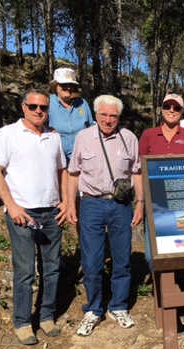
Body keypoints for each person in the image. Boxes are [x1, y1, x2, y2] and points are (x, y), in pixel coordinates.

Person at [0, 90, 67, 345]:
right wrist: (11, 206)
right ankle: (22, 322)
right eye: (33, 106)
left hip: (52, 211)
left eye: (43, 107)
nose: (38, 111)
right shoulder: (7, 134)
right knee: (24, 271)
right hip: (22, 213)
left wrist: (65, 201)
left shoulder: (53, 137)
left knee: (52, 269)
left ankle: (46, 316)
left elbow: (62, 170)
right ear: (23, 107)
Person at [67, 95, 144, 336]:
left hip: (121, 206)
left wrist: (140, 203)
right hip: (91, 204)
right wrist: (70, 204)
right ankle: (94, 309)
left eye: (113, 116)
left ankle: (118, 306)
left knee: (122, 258)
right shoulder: (83, 137)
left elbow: (137, 172)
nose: (108, 120)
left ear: (119, 117)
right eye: (103, 115)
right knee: (92, 261)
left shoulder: (129, 138)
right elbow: (73, 173)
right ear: (96, 114)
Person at [139, 93, 184, 271]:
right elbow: (139, 168)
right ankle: (157, 279)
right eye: (167, 106)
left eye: (176, 108)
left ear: (182, 112)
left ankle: (182, 279)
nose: (171, 111)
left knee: (183, 243)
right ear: (161, 109)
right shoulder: (148, 135)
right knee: (153, 247)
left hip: (183, 198)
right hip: (155, 200)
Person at [48, 67, 93, 161]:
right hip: (57, 158)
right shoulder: (47, 103)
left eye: (71, 84)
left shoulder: (82, 103)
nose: (68, 87)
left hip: (83, 156)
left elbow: (91, 126)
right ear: (55, 86)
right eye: (63, 84)